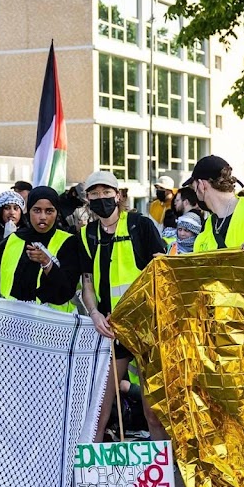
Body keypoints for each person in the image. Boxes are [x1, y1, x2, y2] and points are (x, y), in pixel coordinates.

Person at [78, 172, 166, 441]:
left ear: (118, 195)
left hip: (145, 325)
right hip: (111, 327)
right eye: (94, 194)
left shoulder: (140, 225)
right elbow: (87, 283)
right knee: (102, 402)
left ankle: (162, 467)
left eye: (106, 193)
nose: (101, 198)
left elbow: (161, 269)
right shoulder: (87, 234)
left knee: (153, 407)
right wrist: (93, 313)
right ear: (87, 199)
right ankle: (90, 465)